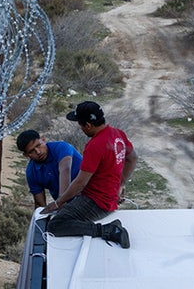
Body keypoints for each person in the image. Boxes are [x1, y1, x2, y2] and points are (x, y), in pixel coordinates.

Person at [42, 101, 135, 248]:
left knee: (56, 225)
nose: (80, 128)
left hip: (97, 202)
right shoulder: (118, 134)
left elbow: (81, 183)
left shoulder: (95, 145)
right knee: (67, 212)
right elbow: (132, 158)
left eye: (80, 124)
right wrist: (121, 184)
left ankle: (108, 230)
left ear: (88, 125)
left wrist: (58, 202)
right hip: (108, 197)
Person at [16, 129, 82, 209]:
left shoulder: (61, 148)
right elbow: (40, 204)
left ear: (43, 140)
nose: (38, 152)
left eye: (38, 145)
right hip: (65, 206)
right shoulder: (31, 172)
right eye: (31, 151)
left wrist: (60, 203)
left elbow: (65, 169)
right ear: (26, 155)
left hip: (90, 195)